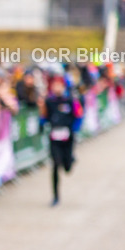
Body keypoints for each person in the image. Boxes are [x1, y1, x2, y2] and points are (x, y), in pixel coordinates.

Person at [40, 75, 80, 207]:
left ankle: (70, 160)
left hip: (68, 138)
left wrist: (73, 130)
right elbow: (44, 117)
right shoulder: (49, 101)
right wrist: (42, 123)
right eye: (54, 85)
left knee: (67, 167)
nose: (57, 87)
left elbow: (79, 115)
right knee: (55, 165)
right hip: (54, 138)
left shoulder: (70, 100)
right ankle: (56, 196)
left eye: (59, 85)